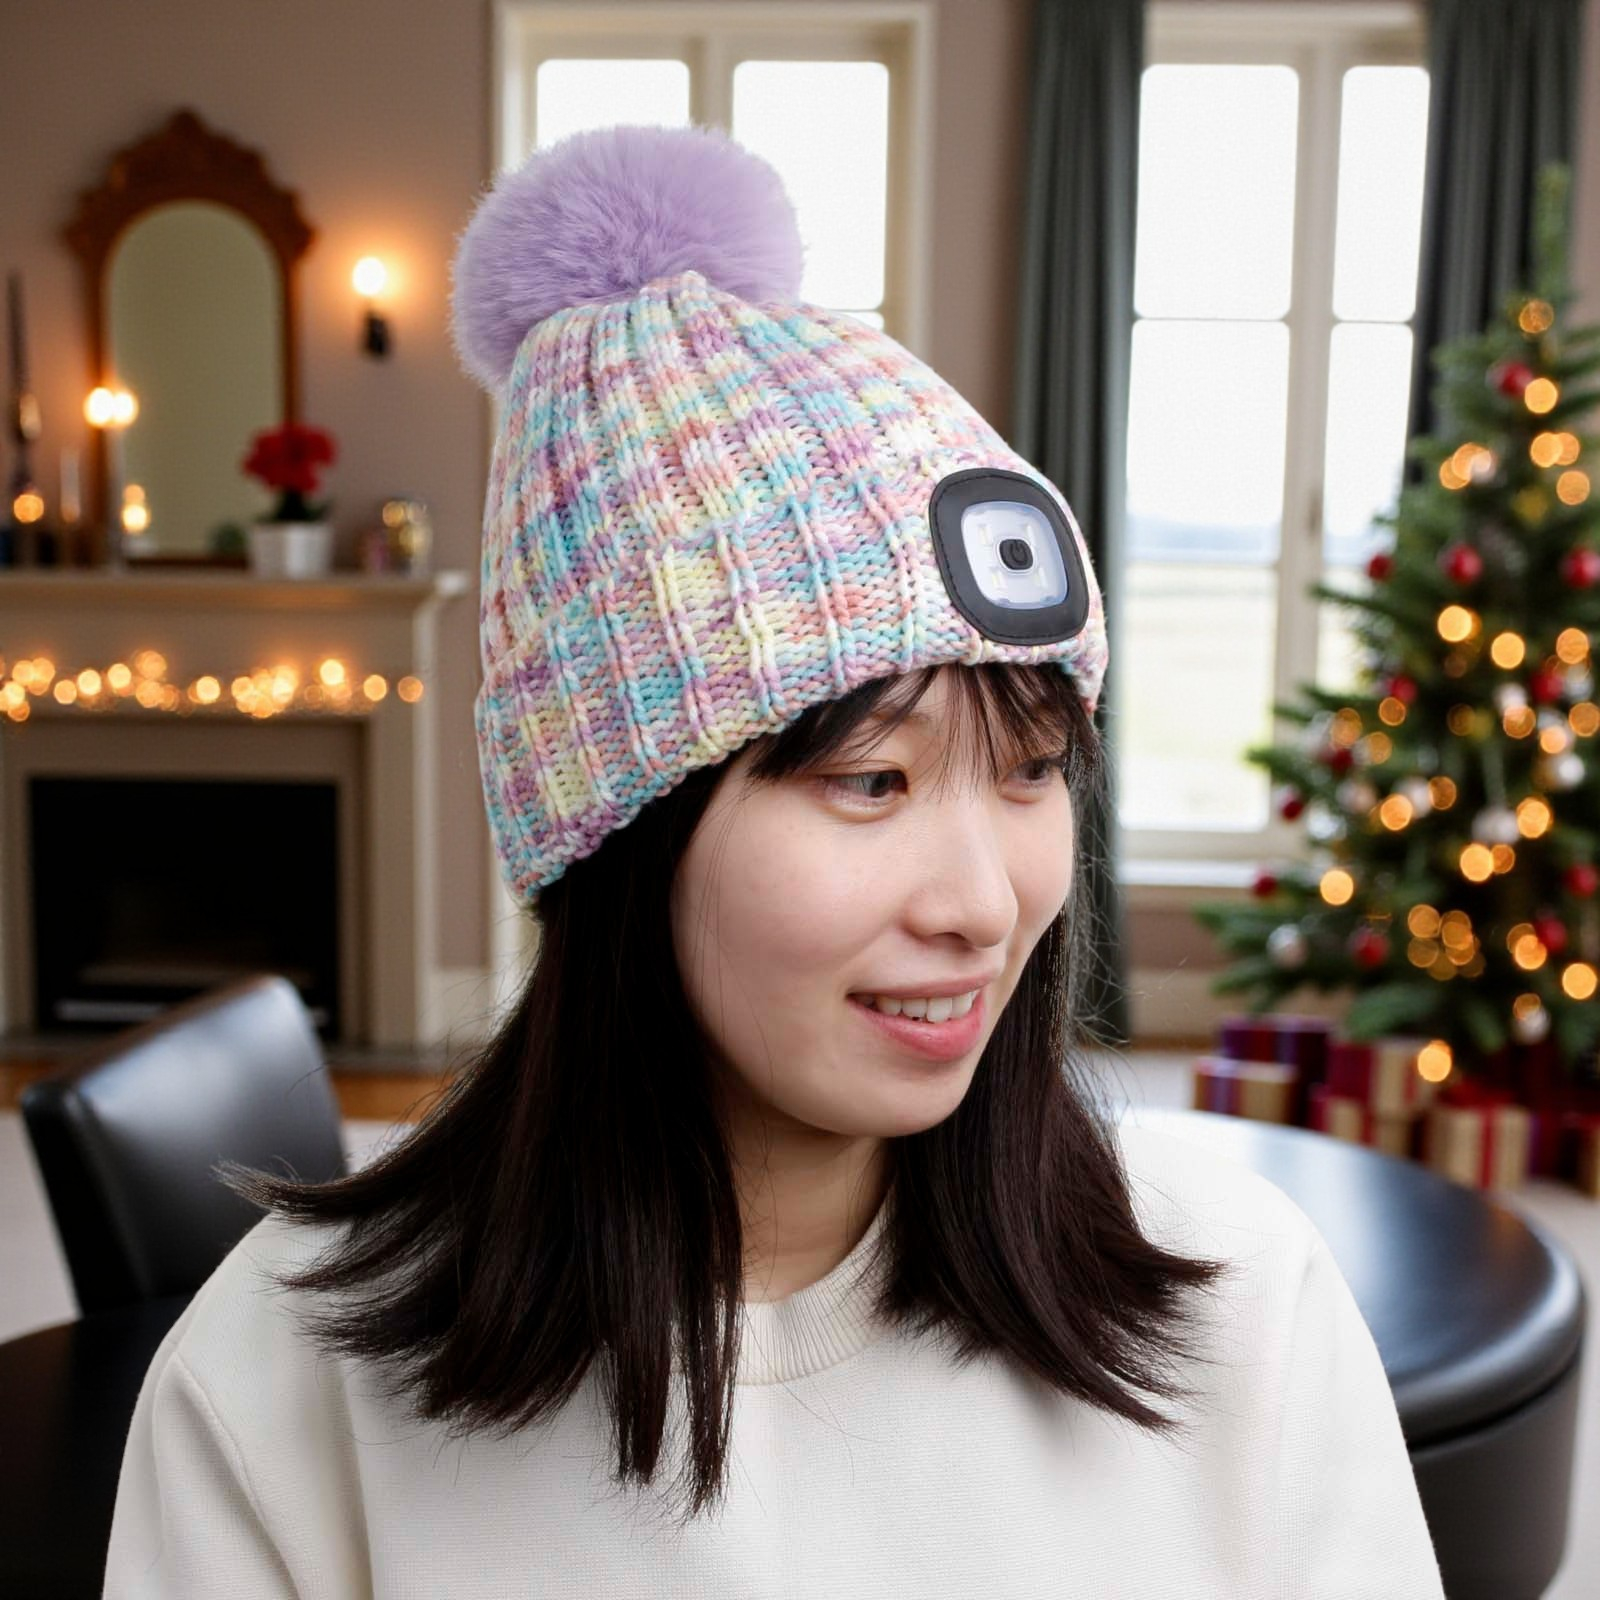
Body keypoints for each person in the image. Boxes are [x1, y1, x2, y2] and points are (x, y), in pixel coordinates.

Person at [103, 123, 1445, 1597]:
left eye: (1030, 770)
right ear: (618, 829)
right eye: (871, 782)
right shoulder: (281, 1387)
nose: (983, 904)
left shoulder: (1247, 1307)